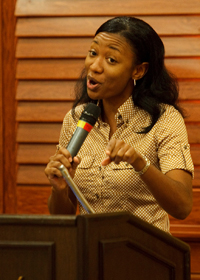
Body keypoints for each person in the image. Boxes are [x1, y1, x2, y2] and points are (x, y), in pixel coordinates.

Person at [45, 16, 194, 233]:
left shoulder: (164, 119)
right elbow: (63, 217)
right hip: (90, 256)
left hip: (146, 256)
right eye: (93, 53)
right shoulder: (75, 119)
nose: (94, 66)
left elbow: (182, 206)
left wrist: (139, 163)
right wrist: (58, 189)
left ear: (138, 71)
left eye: (111, 60)